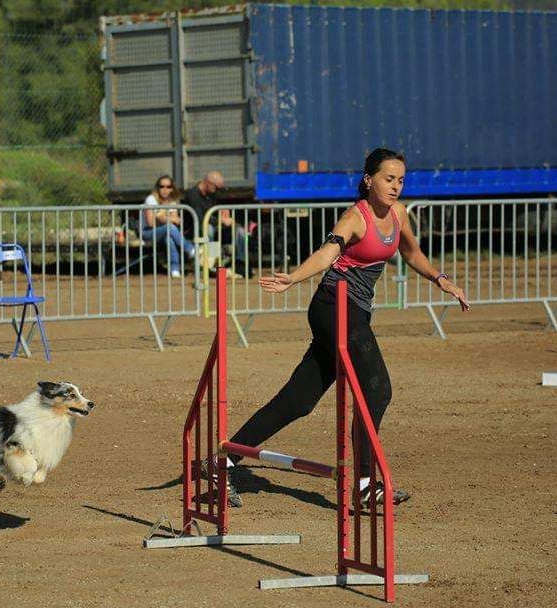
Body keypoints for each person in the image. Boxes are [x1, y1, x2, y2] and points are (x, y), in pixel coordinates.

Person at [220, 148, 470, 508]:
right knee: (378, 389)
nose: (396, 186)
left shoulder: (399, 214)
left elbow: (412, 253)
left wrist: (440, 279)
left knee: (298, 401)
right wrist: (292, 278)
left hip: (355, 313)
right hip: (331, 307)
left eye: (400, 180)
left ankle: (223, 462)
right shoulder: (355, 217)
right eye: (388, 179)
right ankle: (367, 485)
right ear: (369, 180)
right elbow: (327, 253)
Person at [182, 170, 251, 278]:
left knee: (240, 230)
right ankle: (212, 265)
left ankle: (240, 263)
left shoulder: (212, 194)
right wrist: (221, 221)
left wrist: (223, 213)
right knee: (208, 229)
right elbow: (200, 219)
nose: (218, 190)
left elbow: (213, 212)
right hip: (194, 230)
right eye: (216, 187)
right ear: (208, 182)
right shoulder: (192, 194)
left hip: (214, 226)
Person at [140, 175, 195, 278]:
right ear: (157, 187)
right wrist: (168, 218)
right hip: (148, 232)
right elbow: (151, 222)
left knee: (169, 238)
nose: (165, 189)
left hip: (164, 232)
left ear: (172, 188)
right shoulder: (151, 199)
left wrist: (163, 217)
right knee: (169, 228)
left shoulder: (172, 201)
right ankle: (189, 249)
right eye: (162, 186)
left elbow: (176, 221)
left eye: (168, 187)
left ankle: (174, 270)